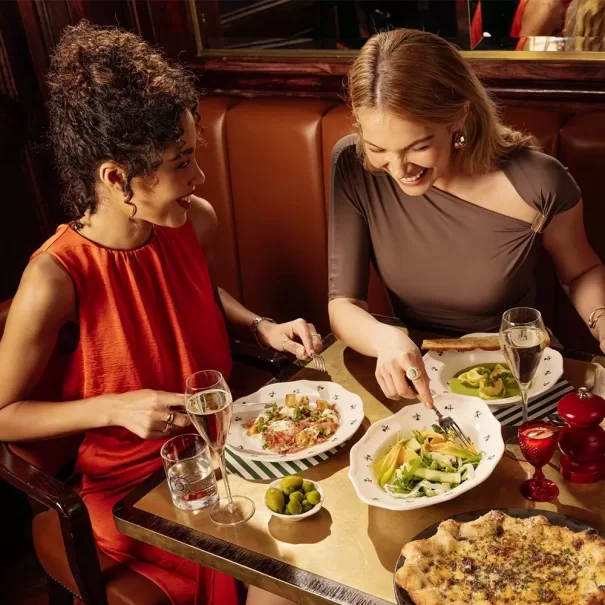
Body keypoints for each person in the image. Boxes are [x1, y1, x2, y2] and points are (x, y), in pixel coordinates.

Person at [0, 21, 321, 605]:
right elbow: (2, 413)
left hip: (227, 449)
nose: (198, 177)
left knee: (322, 553)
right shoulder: (54, 276)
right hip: (133, 489)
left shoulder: (192, 221)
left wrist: (260, 325)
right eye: (181, 161)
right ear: (116, 177)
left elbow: (196, 294)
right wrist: (113, 408)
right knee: (283, 587)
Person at [328, 28, 605, 406]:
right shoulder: (353, 164)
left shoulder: (539, 181)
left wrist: (603, 322)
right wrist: (384, 339)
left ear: (459, 117)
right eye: (378, 148)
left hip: (522, 375)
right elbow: (343, 304)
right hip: (419, 378)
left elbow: (580, 271)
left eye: (418, 147)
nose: (397, 168)